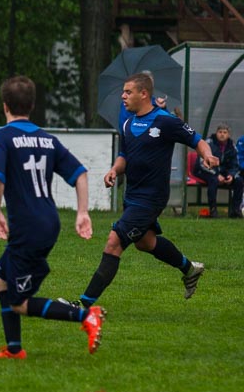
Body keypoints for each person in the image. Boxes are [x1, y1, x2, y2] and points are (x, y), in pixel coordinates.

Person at [71, 73, 217, 309]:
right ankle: (190, 269)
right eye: (123, 91)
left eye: (128, 92)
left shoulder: (166, 121)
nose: (123, 96)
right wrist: (115, 170)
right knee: (145, 242)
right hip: (132, 196)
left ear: (144, 94)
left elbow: (196, 140)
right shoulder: (127, 123)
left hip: (152, 198)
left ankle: (82, 305)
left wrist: (207, 155)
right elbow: (125, 155)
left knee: (114, 241)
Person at [0, 75, 104, 359]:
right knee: (0, 277)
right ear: (32, 106)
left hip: (28, 227)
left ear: (5, 106)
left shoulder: (1, 137)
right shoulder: (48, 140)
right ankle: (14, 349)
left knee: (18, 302)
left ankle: (86, 316)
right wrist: (82, 212)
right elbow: (81, 174)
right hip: (48, 221)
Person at [192, 123, 239, 218]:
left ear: (228, 134)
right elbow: (202, 163)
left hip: (223, 172)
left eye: (225, 132)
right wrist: (217, 174)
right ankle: (213, 210)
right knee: (213, 180)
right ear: (216, 133)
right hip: (205, 171)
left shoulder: (232, 146)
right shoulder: (209, 143)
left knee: (239, 181)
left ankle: (235, 211)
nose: (222, 134)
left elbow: (235, 164)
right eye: (220, 132)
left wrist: (231, 175)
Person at [231, 133, 244, 217]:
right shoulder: (242, 140)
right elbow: (239, 158)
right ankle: (238, 208)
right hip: (242, 170)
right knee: (239, 181)